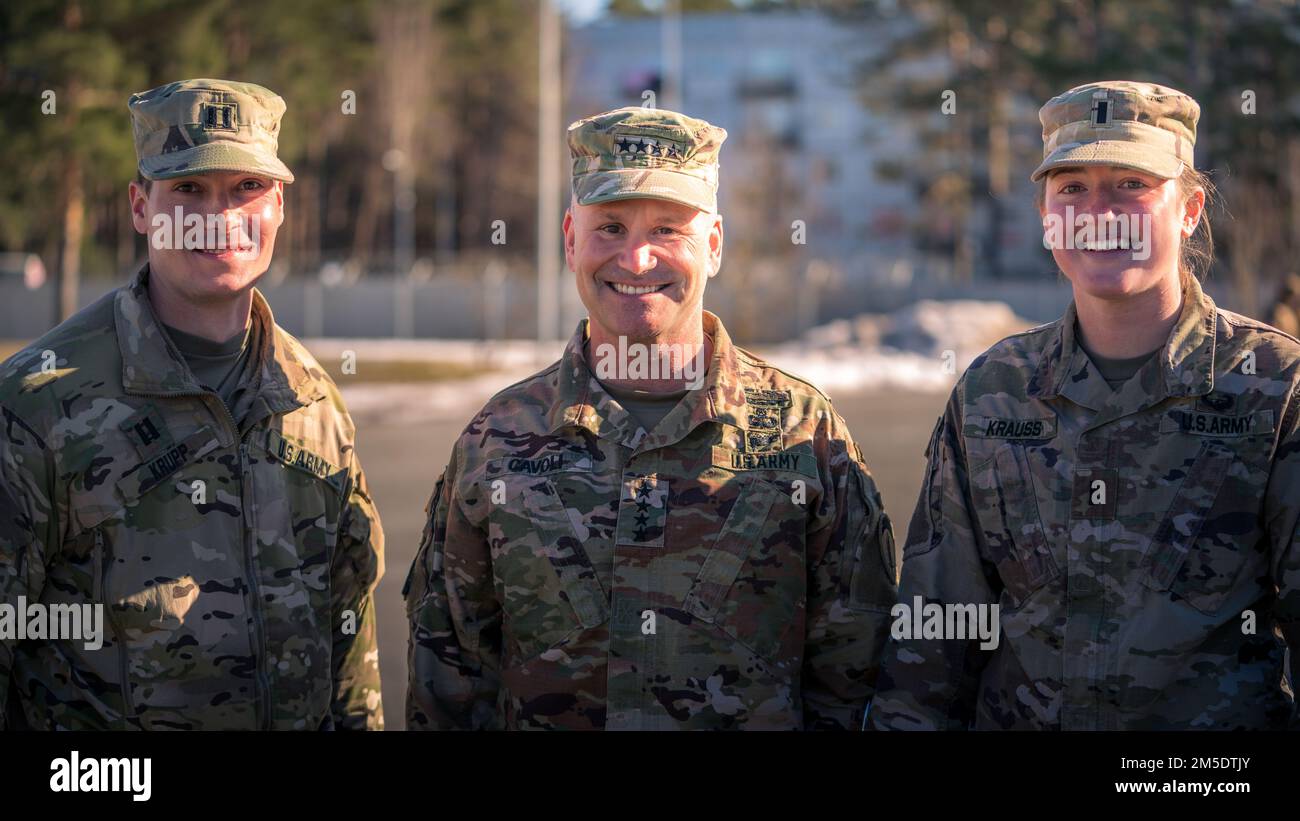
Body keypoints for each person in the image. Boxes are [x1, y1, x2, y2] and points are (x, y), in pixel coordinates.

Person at [405, 106, 896, 730]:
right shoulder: (494, 442)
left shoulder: (805, 434)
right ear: (569, 240)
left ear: (712, 246)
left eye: (667, 229)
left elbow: (858, 679)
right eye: (609, 227)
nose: (636, 261)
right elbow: (449, 687)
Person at [870, 80, 1300, 730]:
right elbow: (934, 646)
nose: (1098, 210)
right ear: (1046, 214)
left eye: (1130, 183)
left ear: (1189, 208)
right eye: (1072, 187)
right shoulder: (993, 394)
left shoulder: (1274, 387)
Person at [0, 79, 384, 730]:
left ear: (280, 207)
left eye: (245, 189)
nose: (220, 216)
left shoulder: (313, 401)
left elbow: (350, 659)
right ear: (140, 207)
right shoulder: (38, 406)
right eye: (188, 189)